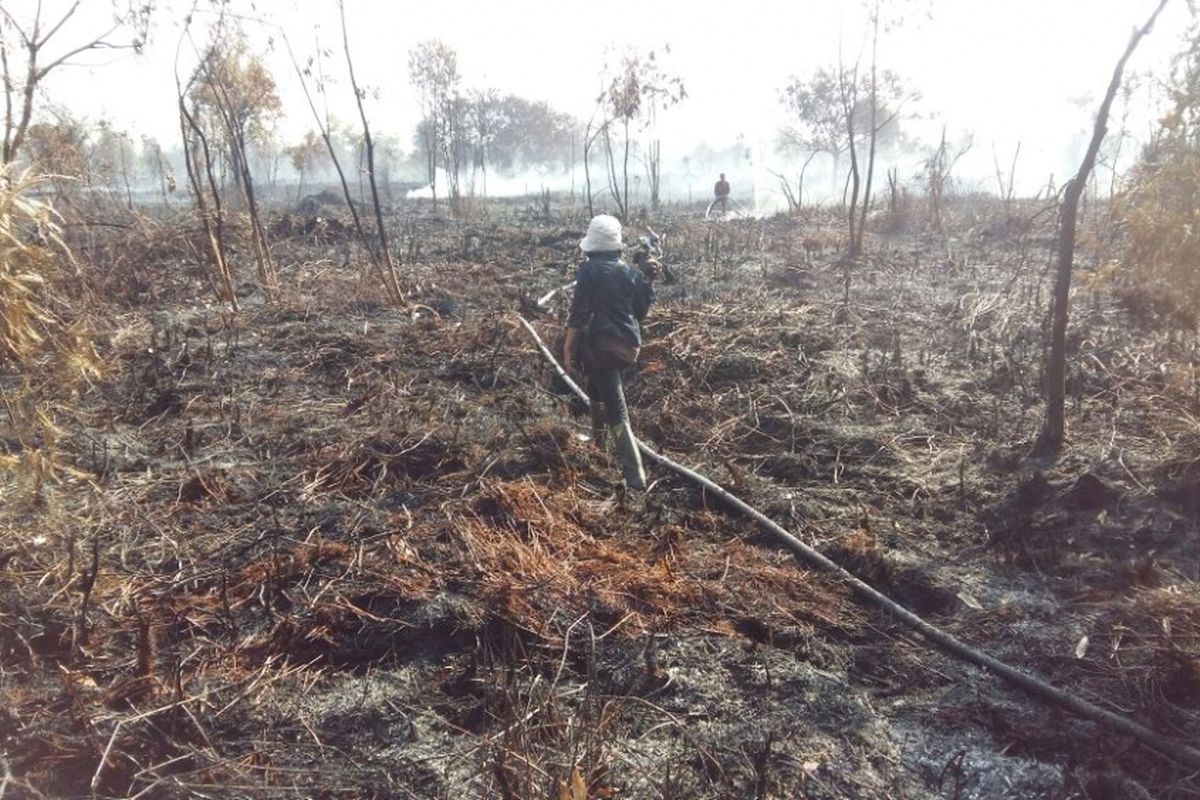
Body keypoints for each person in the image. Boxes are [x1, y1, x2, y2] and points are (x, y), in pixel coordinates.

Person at [564, 214, 656, 490]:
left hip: (605, 347)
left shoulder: (589, 270)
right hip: (629, 346)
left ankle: (635, 477)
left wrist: (568, 348)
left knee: (615, 406)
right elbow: (640, 312)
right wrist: (648, 281)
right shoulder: (629, 272)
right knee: (596, 386)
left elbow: (578, 314)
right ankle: (597, 445)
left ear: (593, 245)